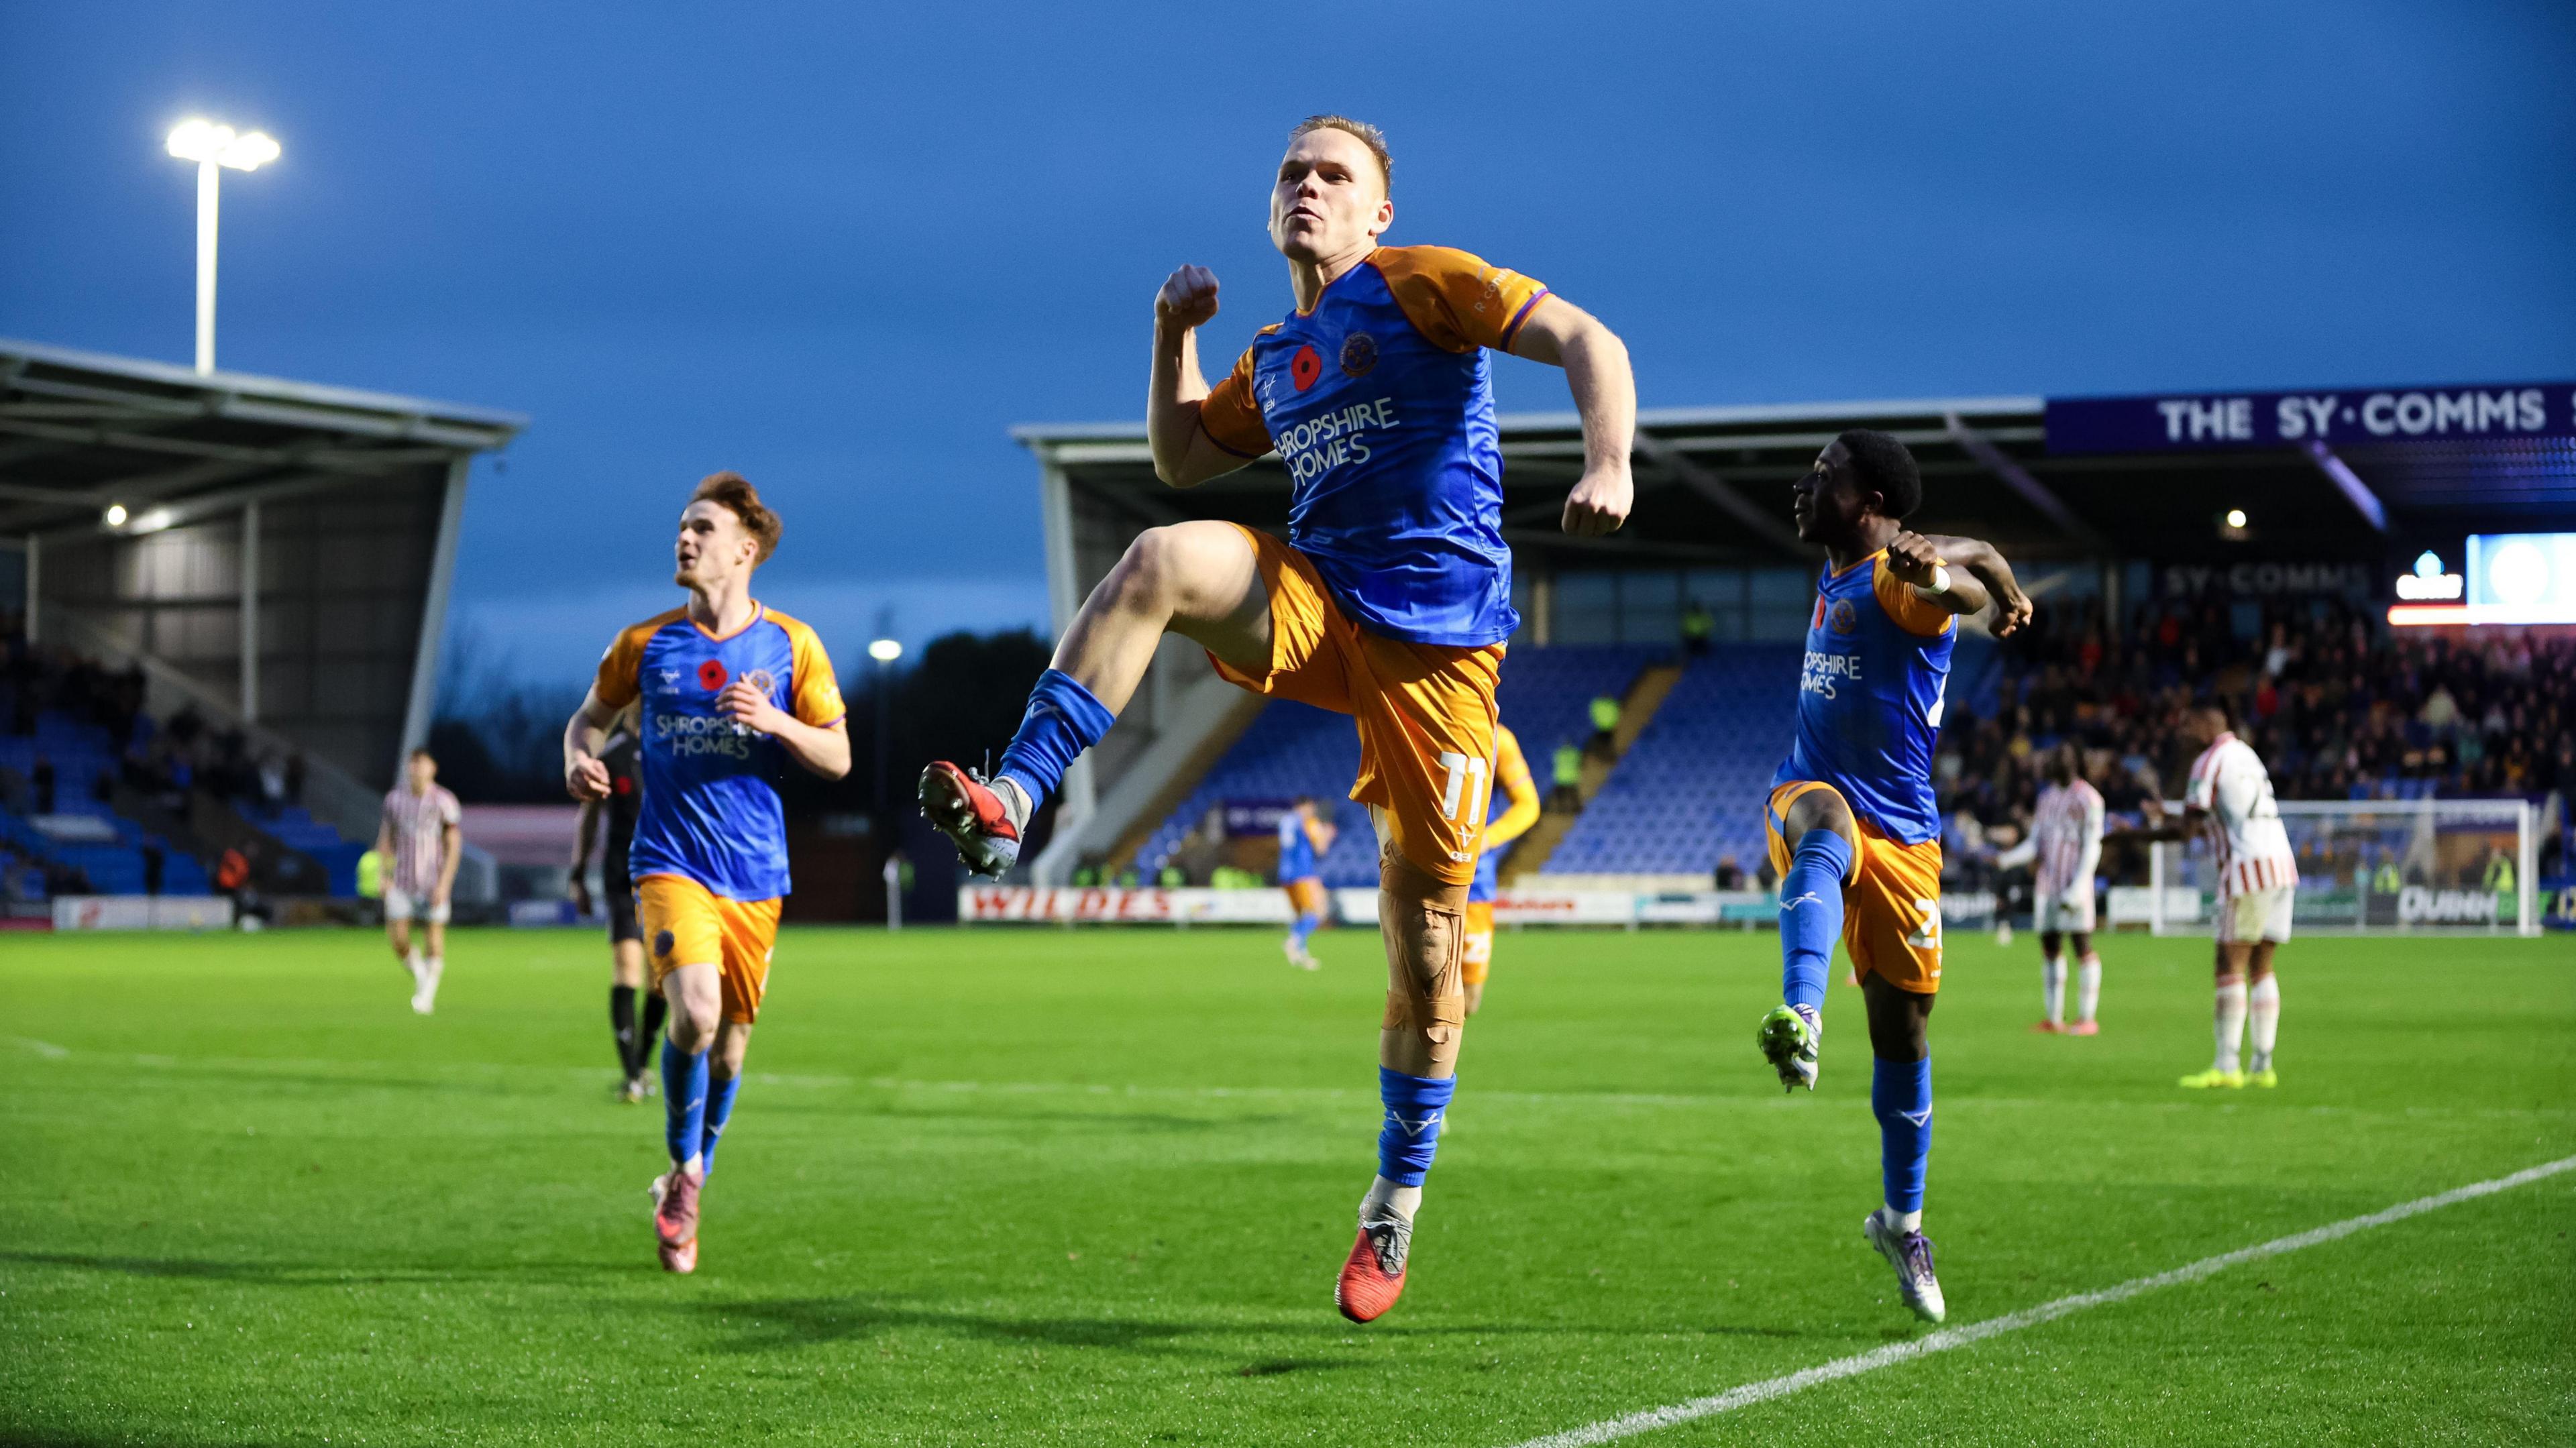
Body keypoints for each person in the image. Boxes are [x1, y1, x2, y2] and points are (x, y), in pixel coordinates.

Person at [916, 115, 1635, 1324]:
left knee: (1427, 956)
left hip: (1440, 656)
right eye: (1293, 173)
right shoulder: (1282, 350)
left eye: (1334, 174)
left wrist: (1608, 458)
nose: (1309, 187)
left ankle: (1396, 1197)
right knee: (1158, 558)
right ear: (1273, 210)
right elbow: (1186, 455)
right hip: (1319, 602)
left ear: (1377, 213)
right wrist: (1169, 337)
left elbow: (1584, 337)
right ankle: (1017, 800)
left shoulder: (1422, 283)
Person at [1751, 429, 2031, 1325]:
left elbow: (1961, 591)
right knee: (1821, 821)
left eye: (1824, 474)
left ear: (1870, 500)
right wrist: (1979, 558)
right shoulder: (1841, 565)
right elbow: (1977, 556)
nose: (1804, 483)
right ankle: (1801, 1009)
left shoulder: (1889, 583)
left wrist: (1952, 577)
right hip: (1816, 797)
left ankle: (1903, 1223)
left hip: (1906, 837)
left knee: (1905, 1036)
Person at [562, 471, 851, 1275]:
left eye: (702, 529)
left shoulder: (793, 644)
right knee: (693, 1010)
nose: (684, 539)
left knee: (730, 1048)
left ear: (745, 550)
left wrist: (779, 720)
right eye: (681, 527)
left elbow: (840, 755)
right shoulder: (644, 643)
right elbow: (586, 717)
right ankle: (683, 1173)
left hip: (757, 873)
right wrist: (578, 760)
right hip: (668, 862)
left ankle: (689, 1179)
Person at [2122, 704, 2297, 1090]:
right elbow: (2206, 819)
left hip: (2248, 867)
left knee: (2229, 963)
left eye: (2187, 724)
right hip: (2281, 863)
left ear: (2206, 725)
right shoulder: (2245, 754)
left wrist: (2133, 836)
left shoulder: (2208, 761)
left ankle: (2226, 1065)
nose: (2183, 733)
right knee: (2262, 966)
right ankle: (2263, 1066)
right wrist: (2166, 814)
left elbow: (2187, 833)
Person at [571, 705, 662, 1102]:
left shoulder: (676, 749)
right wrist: (578, 873)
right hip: (623, 880)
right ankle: (630, 1077)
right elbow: (588, 817)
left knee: (661, 980)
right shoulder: (612, 756)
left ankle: (642, 1064)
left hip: (669, 883)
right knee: (628, 967)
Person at [1461, 722, 1541, 1015]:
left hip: (1474, 885)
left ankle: (1439, 1062)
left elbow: (1528, 805)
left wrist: (1487, 839)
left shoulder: (1497, 739)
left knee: (1467, 1000)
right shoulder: (1417, 723)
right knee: (1419, 994)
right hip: (1418, 875)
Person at [377, 747, 462, 1015]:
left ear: (432, 768)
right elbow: (386, 839)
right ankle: (422, 977)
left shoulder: (443, 801)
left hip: (432, 881)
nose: (415, 768)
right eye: (412, 763)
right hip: (402, 881)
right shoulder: (394, 800)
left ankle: (426, 996)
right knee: (398, 938)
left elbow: (453, 843)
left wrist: (445, 883)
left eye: (421, 763)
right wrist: (383, 874)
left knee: (433, 936)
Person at [2028, 742, 2106, 1034]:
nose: (2058, 761)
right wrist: (2005, 859)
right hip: (2048, 884)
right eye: (2055, 756)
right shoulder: (2046, 797)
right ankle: (2054, 1018)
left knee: (2082, 945)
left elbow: (2093, 845)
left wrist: (2079, 885)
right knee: (2050, 946)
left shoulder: (2089, 798)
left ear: (2076, 761)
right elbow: (2035, 841)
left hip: (2076, 884)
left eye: (2064, 756)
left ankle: (2087, 1018)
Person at [1276, 796, 1336, 969]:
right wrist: (1329, 834)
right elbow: (1321, 848)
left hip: (1285, 874)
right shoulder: (1309, 823)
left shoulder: (1286, 820)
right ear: (1304, 807)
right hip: (1303, 873)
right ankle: (1293, 942)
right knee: (1318, 912)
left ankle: (1300, 953)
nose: (1312, 810)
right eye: (1310, 807)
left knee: (1302, 914)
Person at [1549, 735, 1583, 812]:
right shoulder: (1575, 753)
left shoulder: (1559, 753)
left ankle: (1561, 809)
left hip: (1561, 777)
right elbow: (1580, 763)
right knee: (1573, 795)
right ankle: (1577, 808)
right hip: (1572, 777)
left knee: (1561, 796)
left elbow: (1555, 762)